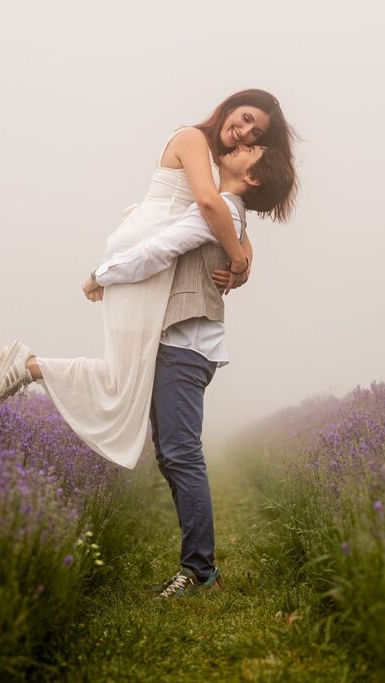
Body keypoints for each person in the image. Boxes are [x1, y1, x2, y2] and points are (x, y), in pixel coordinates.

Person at [0, 89, 297, 471]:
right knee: (125, 378)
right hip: (146, 251)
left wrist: (243, 265)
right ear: (231, 107)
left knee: (130, 375)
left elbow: (235, 223)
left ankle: (28, 367)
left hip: (157, 259)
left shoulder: (222, 168)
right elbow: (209, 205)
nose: (245, 132)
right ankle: (28, 366)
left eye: (255, 134)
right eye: (246, 118)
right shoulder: (193, 138)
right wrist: (236, 258)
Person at [81, 143, 296, 599]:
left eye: (250, 148)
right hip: (179, 345)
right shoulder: (227, 214)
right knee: (172, 455)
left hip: (184, 347)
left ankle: (199, 570)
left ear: (252, 176)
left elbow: (159, 250)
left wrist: (101, 274)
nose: (238, 146)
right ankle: (198, 565)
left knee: (181, 454)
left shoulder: (220, 212)